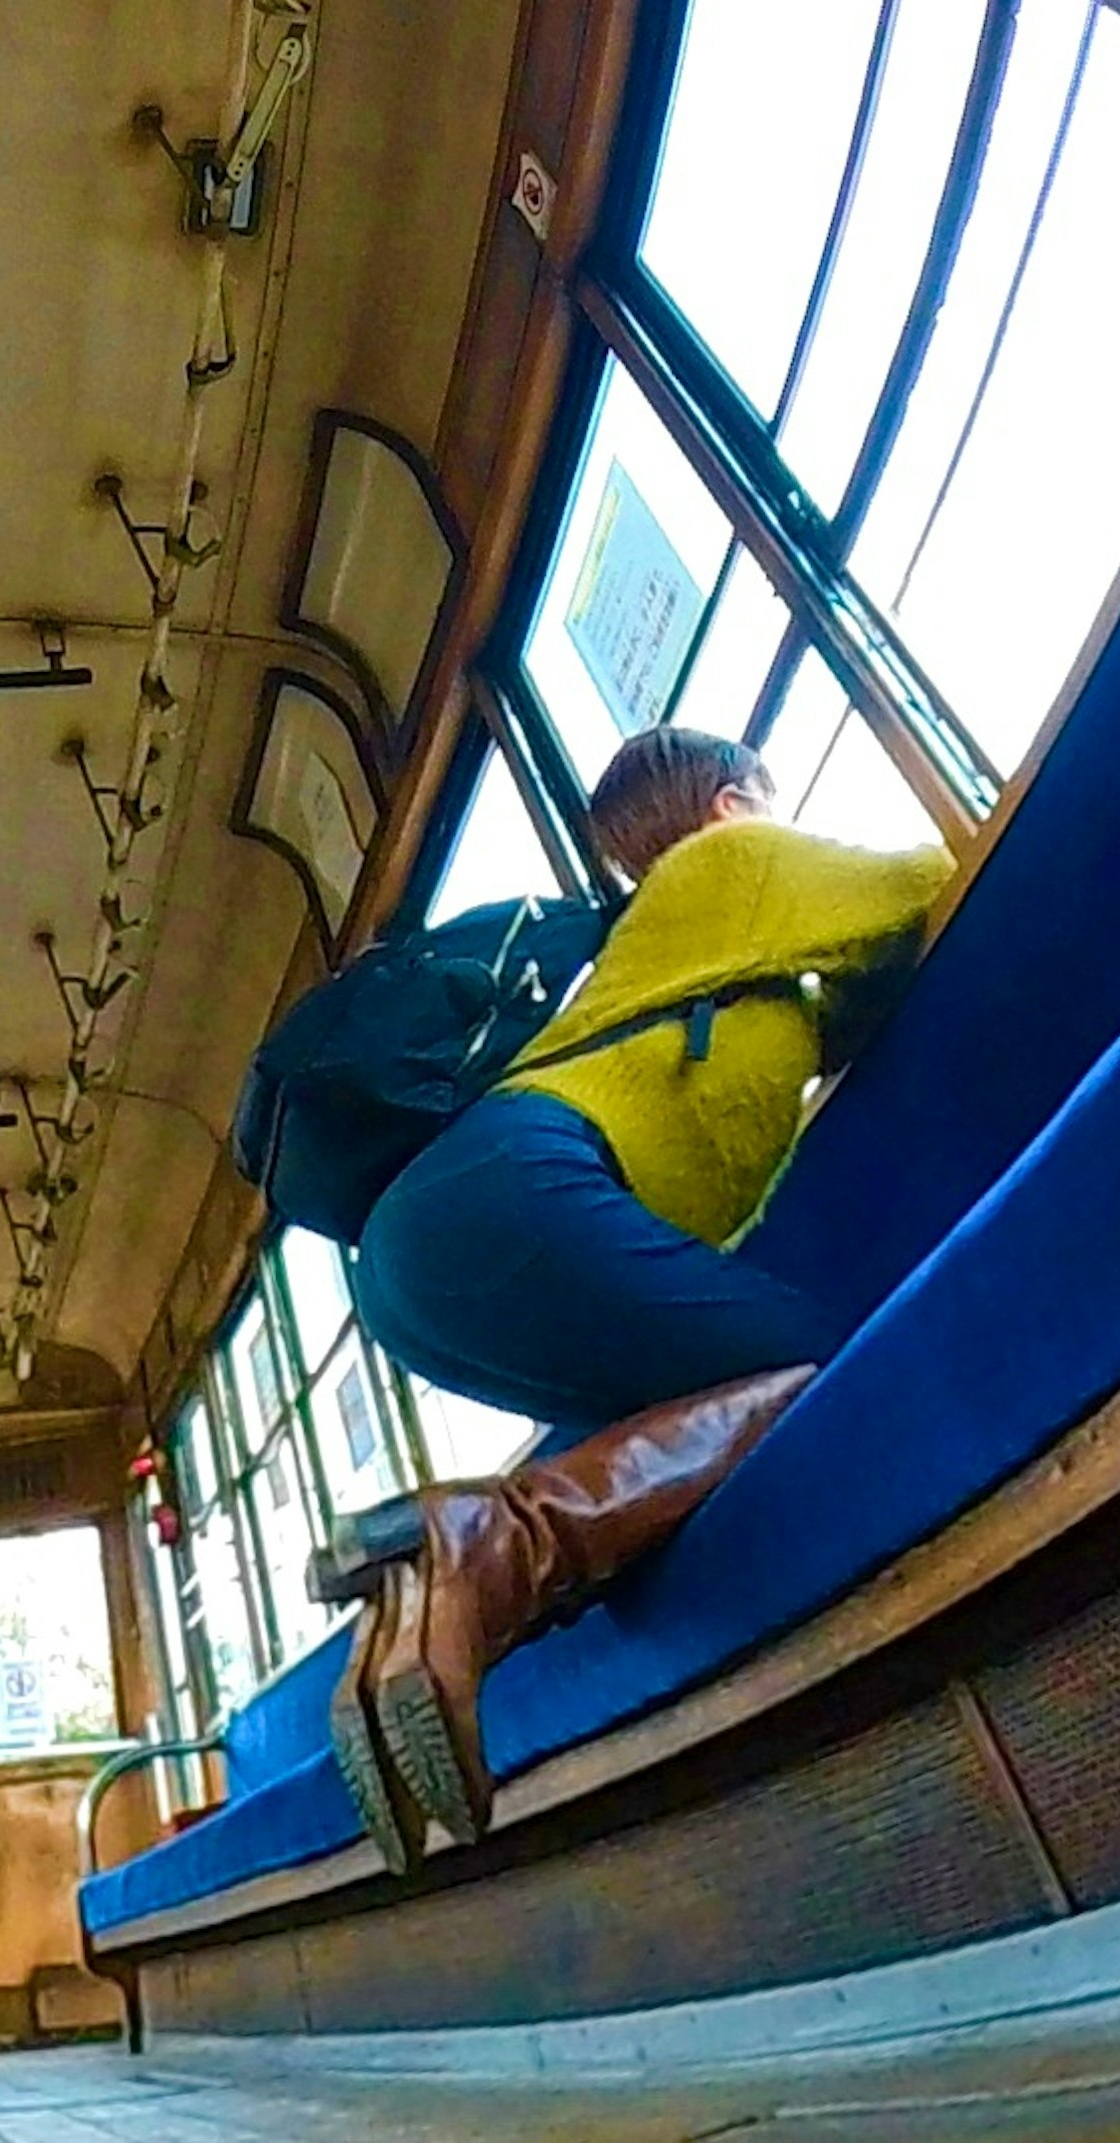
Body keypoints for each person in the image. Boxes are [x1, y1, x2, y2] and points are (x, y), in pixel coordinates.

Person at [323, 727, 952, 1866]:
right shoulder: (726, 867)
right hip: (509, 1188)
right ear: (726, 804)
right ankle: (495, 1538)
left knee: (722, 1394)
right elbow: (926, 879)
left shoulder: (686, 943)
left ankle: (422, 1619)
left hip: (434, 1252)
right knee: (823, 1363)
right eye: (764, 797)